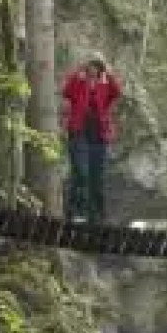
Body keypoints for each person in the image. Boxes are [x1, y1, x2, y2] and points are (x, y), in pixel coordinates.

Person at [61, 52, 122, 222]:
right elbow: (66, 91)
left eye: (97, 66)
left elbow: (117, 92)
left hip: (99, 135)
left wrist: (108, 73)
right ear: (86, 67)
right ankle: (75, 214)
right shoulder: (79, 81)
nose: (93, 69)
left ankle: (97, 217)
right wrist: (79, 74)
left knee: (97, 178)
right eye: (91, 65)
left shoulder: (106, 83)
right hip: (78, 133)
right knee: (81, 173)